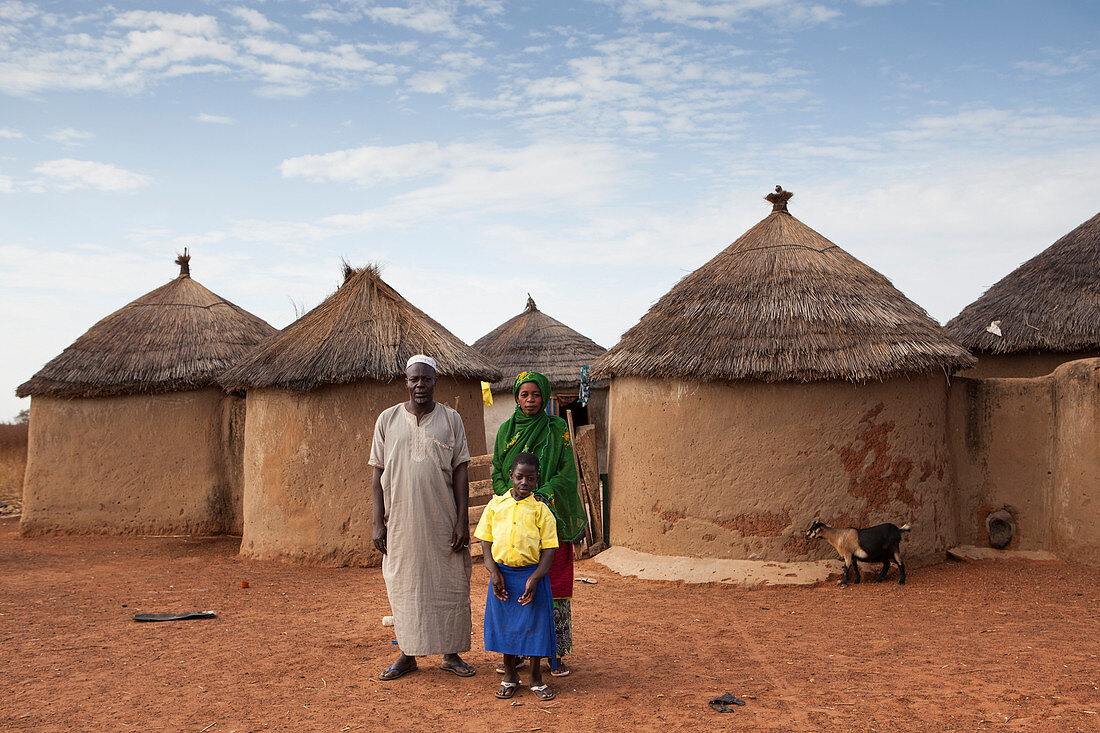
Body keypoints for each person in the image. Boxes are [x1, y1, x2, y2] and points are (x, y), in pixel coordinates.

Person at [370, 355, 475, 681]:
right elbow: (377, 475)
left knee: (449, 584)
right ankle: (407, 653)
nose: (419, 385)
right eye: (413, 379)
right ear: (406, 381)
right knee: (405, 585)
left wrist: (461, 521)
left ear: (434, 381)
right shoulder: (387, 420)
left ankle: (451, 653)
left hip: (442, 519)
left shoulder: (451, 419)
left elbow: (461, 473)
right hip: (401, 521)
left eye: (425, 379)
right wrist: (378, 521)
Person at [490, 371, 587, 676]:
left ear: (545, 397)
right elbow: (497, 471)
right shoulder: (506, 430)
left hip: (548, 518)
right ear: (516, 397)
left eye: (535, 395)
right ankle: (516, 653)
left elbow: (566, 473)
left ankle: (555, 654)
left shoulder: (557, 428)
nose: (530, 401)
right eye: (524, 395)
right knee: (514, 587)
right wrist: (512, 497)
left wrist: (541, 495)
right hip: (516, 523)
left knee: (553, 587)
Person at [475, 452, 559, 701]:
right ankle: (510, 675)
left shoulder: (541, 511)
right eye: (520, 477)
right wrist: (493, 572)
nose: (525, 482)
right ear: (511, 476)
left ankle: (535, 679)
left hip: (532, 576)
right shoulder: (495, 506)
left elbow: (549, 549)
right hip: (503, 576)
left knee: (535, 628)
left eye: (530, 478)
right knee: (507, 629)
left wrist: (534, 579)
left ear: (537, 480)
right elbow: (485, 541)